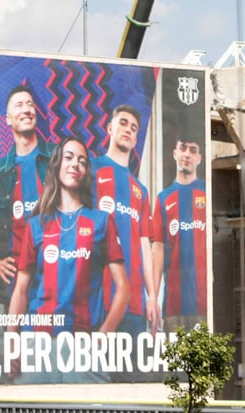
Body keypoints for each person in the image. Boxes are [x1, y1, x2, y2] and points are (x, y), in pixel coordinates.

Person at [8, 136, 127, 382]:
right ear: (56, 165)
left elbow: (123, 289)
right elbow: (20, 290)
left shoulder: (101, 221)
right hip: (36, 344)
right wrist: (12, 340)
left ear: (86, 173)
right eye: (69, 157)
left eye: (82, 161)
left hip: (83, 343)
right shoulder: (37, 224)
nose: (75, 164)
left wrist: (103, 335)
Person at [0, 84, 53, 319]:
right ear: (7, 119)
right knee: (16, 353)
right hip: (15, 282)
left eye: (30, 104)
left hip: (56, 276)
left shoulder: (58, 159)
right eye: (19, 105)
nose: (26, 109)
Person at [89, 104, 155, 336]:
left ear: (136, 139)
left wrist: (153, 297)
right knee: (95, 371)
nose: (128, 129)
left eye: (134, 128)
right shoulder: (91, 169)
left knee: (130, 372)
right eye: (123, 123)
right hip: (97, 299)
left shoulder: (141, 190)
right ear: (110, 128)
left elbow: (145, 247)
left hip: (134, 303)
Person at [150, 134, 208, 331]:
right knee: (173, 361)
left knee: (205, 360)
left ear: (199, 158)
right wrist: (153, 298)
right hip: (173, 306)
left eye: (193, 150)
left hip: (205, 305)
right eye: (183, 148)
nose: (187, 154)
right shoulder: (163, 199)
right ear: (175, 153)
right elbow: (157, 250)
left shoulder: (208, 192)